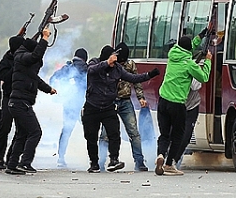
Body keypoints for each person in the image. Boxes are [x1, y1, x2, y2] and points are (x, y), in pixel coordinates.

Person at [82, 45, 160, 173]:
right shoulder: (94, 63)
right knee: (92, 137)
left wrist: (149, 75)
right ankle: (95, 163)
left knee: (115, 134)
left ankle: (114, 160)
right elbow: (91, 71)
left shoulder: (117, 69)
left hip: (108, 106)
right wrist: (106, 63)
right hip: (92, 107)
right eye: (112, 59)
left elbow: (133, 78)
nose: (115, 62)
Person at [155, 34, 211, 176]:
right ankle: (169, 164)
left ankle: (160, 155)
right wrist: (208, 61)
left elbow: (189, 46)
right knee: (178, 136)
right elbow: (204, 77)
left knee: (164, 134)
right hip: (177, 103)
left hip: (162, 100)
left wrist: (202, 35)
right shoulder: (189, 64)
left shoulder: (173, 54)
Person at [5, 29, 57, 174]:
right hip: (20, 103)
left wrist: (49, 89)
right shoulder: (22, 57)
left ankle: (12, 165)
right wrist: (45, 39)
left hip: (19, 103)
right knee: (35, 132)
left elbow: (36, 80)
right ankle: (25, 163)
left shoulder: (24, 64)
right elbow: (36, 55)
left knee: (22, 134)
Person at [97, 42, 149, 172]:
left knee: (134, 132)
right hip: (110, 102)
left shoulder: (130, 65)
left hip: (125, 101)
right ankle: (100, 161)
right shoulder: (109, 63)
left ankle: (139, 162)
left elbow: (136, 81)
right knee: (105, 134)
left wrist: (141, 97)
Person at [0, 35, 24, 170]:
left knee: (21, 130)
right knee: (4, 129)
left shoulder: (24, 58)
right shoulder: (5, 61)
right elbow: (4, 77)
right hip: (9, 96)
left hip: (21, 97)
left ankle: (11, 158)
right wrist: (16, 65)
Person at [50, 48, 88, 168]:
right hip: (83, 104)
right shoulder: (86, 68)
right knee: (90, 131)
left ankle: (61, 157)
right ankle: (96, 158)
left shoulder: (67, 68)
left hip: (69, 104)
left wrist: (59, 92)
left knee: (66, 130)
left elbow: (52, 79)